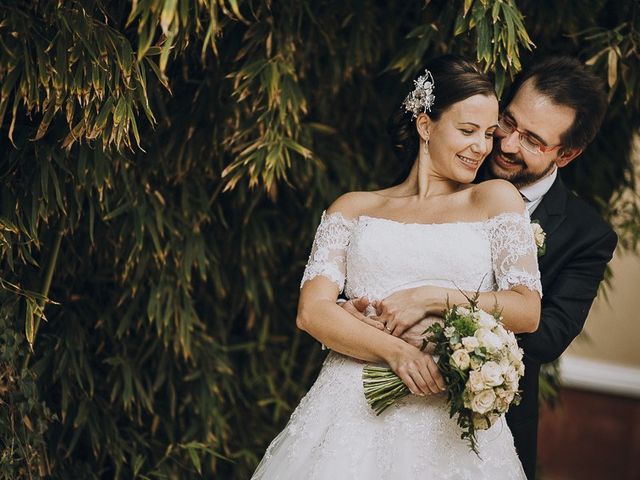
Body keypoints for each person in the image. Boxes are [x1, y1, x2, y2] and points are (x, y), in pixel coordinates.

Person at [252, 55, 542, 479]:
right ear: (426, 125)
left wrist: (431, 297)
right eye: (466, 130)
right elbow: (312, 311)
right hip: (348, 410)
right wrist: (398, 352)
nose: (481, 146)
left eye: (488, 133)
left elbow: (526, 309)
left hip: (448, 422)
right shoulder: (353, 208)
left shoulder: (494, 199)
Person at [343, 56, 617, 479]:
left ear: (567, 154)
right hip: (369, 401)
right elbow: (384, 254)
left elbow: (544, 337)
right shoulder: (450, 161)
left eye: (533, 141)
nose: (505, 146)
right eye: (508, 123)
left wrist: (436, 318)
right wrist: (358, 308)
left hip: (483, 428)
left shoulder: (587, 235)